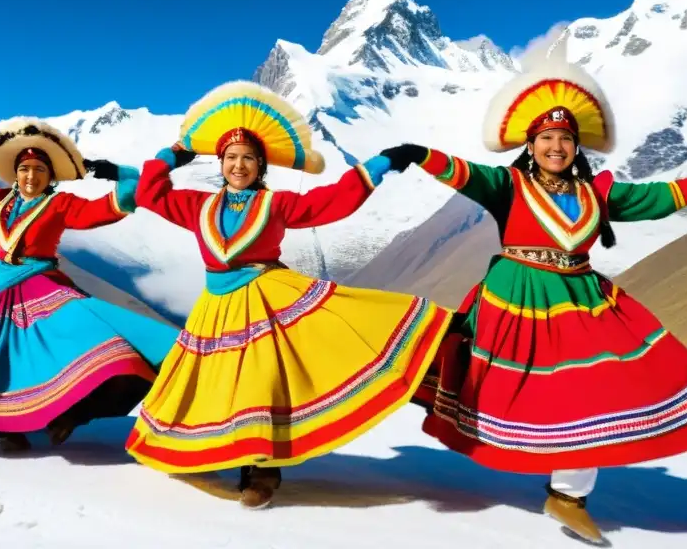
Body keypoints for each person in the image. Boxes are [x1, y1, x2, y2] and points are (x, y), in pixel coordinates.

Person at [384, 34, 687, 544]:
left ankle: (568, 495)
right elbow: (464, 174)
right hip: (517, 302)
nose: (556, 146)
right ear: (530, 144)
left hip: (581, 300)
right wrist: (418, 154)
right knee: (515, 391)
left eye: (565, 139)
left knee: (591, 393)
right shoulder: (508, 186)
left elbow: (657, 198)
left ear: (575, 146)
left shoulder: (598, 192)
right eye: (546, 138)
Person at [123, 80, 453, 509]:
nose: (239, 165)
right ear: (219, 163)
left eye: (248, 159)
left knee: (261, 386)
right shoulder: (196, 205)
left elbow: (331, 202)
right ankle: (209, 450)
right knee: (218, 385)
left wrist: (382, 163)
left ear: (261, 166)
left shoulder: (275, 205)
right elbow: (149, 193)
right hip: (216, 308)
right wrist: (172, 155)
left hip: (265, 299)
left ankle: (261, 471)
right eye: (231, 158)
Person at [0, 118, 180, 451]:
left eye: (39, 171)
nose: (31, 176)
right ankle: (8, 427)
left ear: (49, 177)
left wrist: (120, 176)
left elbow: (105, 210)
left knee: (93, 345)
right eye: (25, 169)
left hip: (43, 286)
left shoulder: (60, 204)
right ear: (15, 173)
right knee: (0, 363)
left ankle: (72, 413)